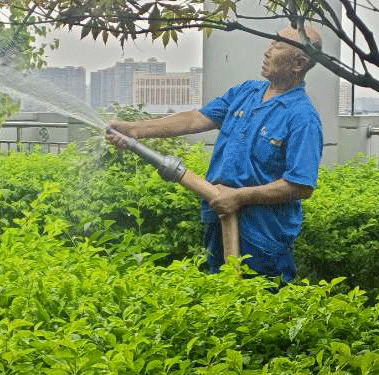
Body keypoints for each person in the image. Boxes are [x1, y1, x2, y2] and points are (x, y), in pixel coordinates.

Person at [107, 25, 323, 282]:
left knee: (261, 308)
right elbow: (195, 119)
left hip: (264, 236)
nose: (266, 51)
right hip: (219, 219)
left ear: (299, 63)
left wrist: (240, 197)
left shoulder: (302, 117)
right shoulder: (246, 92)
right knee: (220, 301)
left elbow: (300, 185)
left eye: (277, 45)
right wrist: (135, 130)